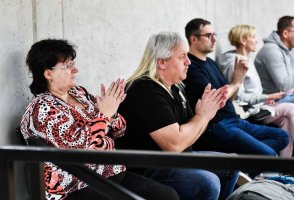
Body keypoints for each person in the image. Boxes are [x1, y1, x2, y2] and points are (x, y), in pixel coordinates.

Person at [20, 39, 179, 200]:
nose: (75, 69)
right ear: (48, 73)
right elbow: (79, 147)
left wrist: (113, 114)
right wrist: (104, 115)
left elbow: (119, 132)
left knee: (167, 196)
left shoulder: (79, 93)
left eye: (73, 63)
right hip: (76, 185)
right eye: (67, 66)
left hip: (111, 173)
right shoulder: (42, 108)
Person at [116, 32, 239, 200]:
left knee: (232, 163)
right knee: (207, 182)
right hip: (148, 168)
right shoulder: (145, 90)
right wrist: (202, 117)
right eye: (182, 57)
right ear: (162, 62)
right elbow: (174, 144)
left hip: (177, 159)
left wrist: (207, 114)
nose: (188, 62)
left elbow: (189, 135)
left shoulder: (176, 88)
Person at [184, 18, 289, 156]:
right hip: (218, 125)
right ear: (193, 39)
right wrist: (236, 82)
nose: (214, 39)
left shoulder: (210, 62)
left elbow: (231, 97)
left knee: (282, 136)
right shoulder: (191, 67)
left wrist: (236, 83)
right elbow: (216, 100)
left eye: (214, 35)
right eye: (209, 35)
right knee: (268, 155)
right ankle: (246, 162)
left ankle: (243, 161)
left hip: (234, 119)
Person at [217, 24, 294, 157]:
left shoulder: (248, 60)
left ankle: (286, 167)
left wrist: (266, 97)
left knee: (285, 119)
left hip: (261, 106)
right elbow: (238, 96)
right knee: (291, 108)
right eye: (253, 37)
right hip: (251, 110)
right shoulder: (236, 63)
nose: (257, 40)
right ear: (243, 41)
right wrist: (266, 97)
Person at [254, 16, 294, 108]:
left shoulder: (290, 49)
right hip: (272, 100)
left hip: (288, 95)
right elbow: (284, 85)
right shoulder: (272, 51)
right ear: (286, 33)